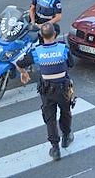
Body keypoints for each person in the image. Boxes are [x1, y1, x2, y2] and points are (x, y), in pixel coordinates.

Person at [16, 23, 74, 162]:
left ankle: (55, 148)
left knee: (50, 118)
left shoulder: (37, 51)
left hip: (47, 90)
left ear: (41, 36)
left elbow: (19, 63)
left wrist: (24, 73)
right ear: (55, 34)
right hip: (63, 89)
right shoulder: (63, 48)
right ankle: (66, 137)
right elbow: (71, 64)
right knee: (65, 112)